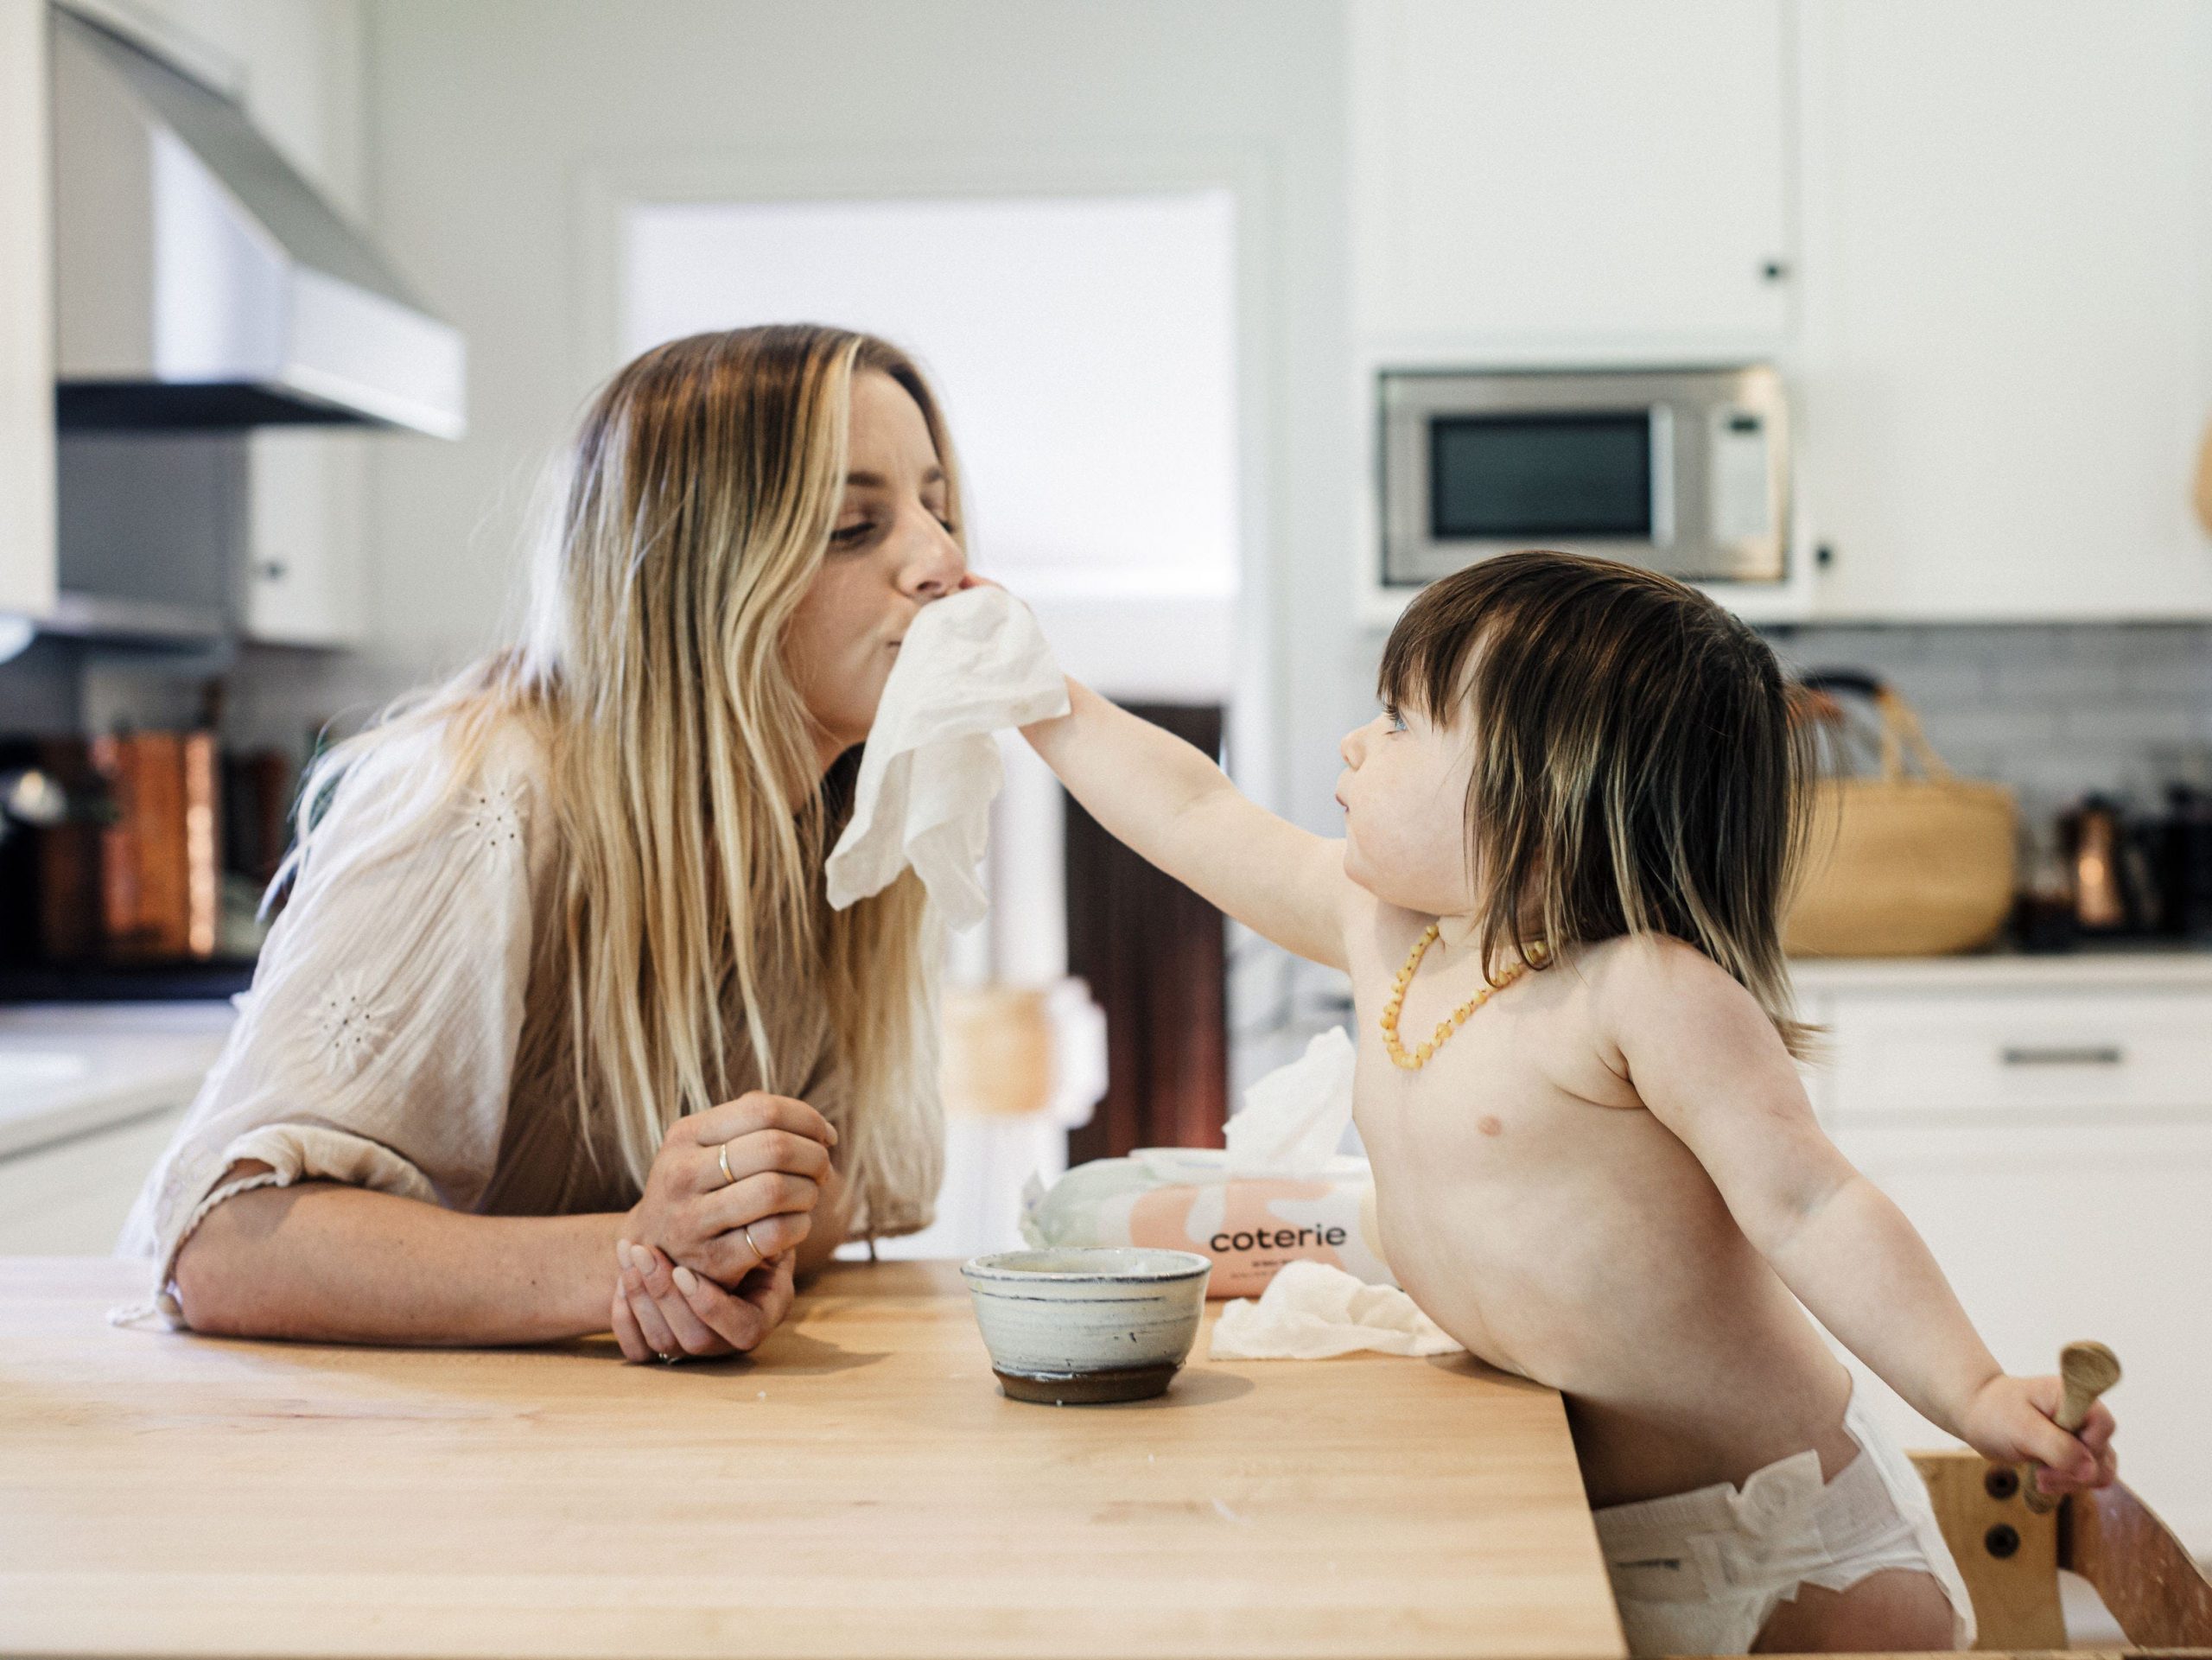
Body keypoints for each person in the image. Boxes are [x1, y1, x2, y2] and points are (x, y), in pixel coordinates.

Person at [1019, 550, 2118, 1655]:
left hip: (1782, 1542)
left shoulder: (1639, 993)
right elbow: (1193, 811)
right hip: (1580, 1521)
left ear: (1540, 793)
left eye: (1400, 721)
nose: (1357, 743)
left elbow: (1813, 1206)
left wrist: (1970, 1388)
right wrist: (1037, 696)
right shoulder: (1392, 940)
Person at [123, 325, 969, 1363]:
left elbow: (855, 1185)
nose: (943, 561)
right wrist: (635, 1258)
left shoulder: (851, 830)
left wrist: (740, 1239)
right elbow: (224, 1245)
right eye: (851, 525)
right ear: (693, 578)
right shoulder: (480, 797)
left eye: (939, 508)